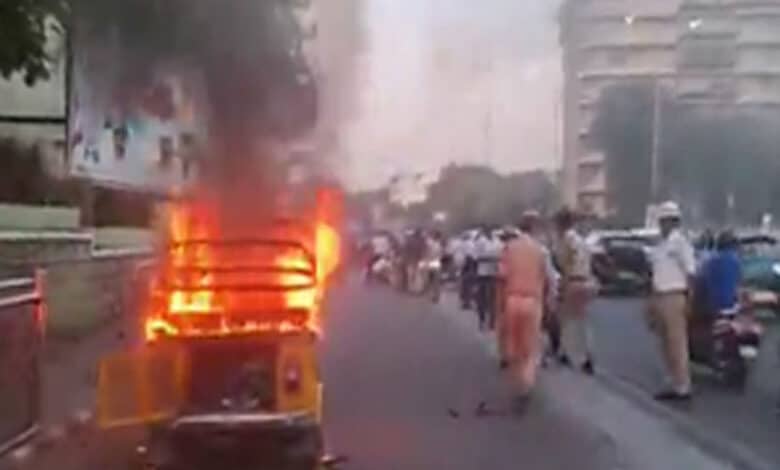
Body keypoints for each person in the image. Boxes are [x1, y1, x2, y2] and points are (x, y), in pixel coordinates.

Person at [498, 211, 555, 412]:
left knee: (513, 346)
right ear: (536, 228)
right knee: (530, 349)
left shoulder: (509, 249)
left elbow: (502, 278)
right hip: (532, 301)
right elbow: (551, 279)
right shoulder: (541, 251)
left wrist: (500, 305)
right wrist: (550, 302)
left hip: (512, 300)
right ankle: (526, 386)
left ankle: (518, 383)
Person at [647, 201, 696, 401]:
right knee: (664, 343)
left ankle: (682, 385)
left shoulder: (680, 243)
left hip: (675, 295)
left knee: (677, 342)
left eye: (667, 220)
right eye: (662, 220)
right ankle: (672, 381)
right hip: (660, 295)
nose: (663, 224)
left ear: (674, 222)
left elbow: (691, 272)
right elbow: (655, 274)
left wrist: (691, 299)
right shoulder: (660, 245)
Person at [554, 208, 597, 374]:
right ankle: (581, 354)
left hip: (573, 280)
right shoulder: (581, 240)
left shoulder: (567, 239)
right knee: (581, 322)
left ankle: (568, 354)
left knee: (567, 319)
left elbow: (566, 261)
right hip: (586, 280)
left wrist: (563, 282)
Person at [474, 226, 502, 330]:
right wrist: (490, 258)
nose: (489, 232)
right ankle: (481, 319)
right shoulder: (480, 242)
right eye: (487, 231)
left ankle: (492, 321)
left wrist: (496, 259)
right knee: (482, 298)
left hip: (494, 273)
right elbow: (475, 256)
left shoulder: (497, 241)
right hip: (482, 272)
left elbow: (501, 255)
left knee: (493, 299)